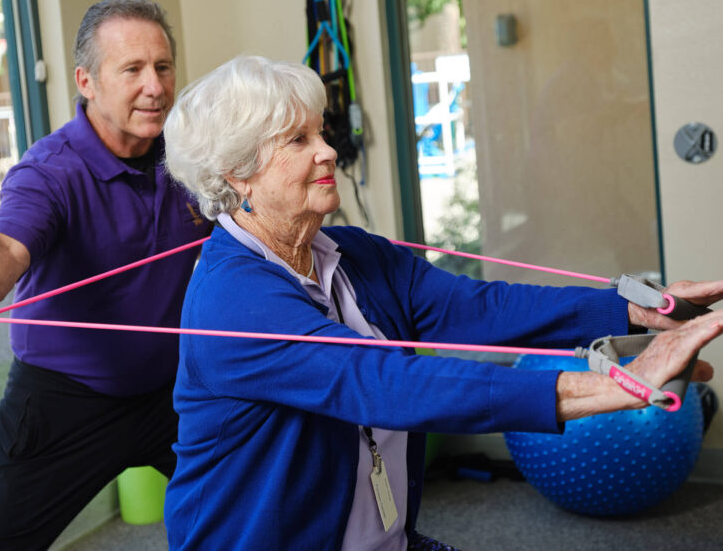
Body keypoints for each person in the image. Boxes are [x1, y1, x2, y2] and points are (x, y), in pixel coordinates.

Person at [162, 55, 723, 551]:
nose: (329, 150)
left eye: (322, 131)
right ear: (239, 175)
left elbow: (481, 307)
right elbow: (384, 383)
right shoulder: (231, 300)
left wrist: (636, 313)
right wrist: (614, 383)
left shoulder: (353, 254)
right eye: (298, 140)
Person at [0, 0, 211, 550]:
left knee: (257, 502)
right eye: (132, 69)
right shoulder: (48, 171)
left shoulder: (189, 158)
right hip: (63, 402)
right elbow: (6, 248)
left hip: (168, 394)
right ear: (86, 81)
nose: (154, 87)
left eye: (162, 67)